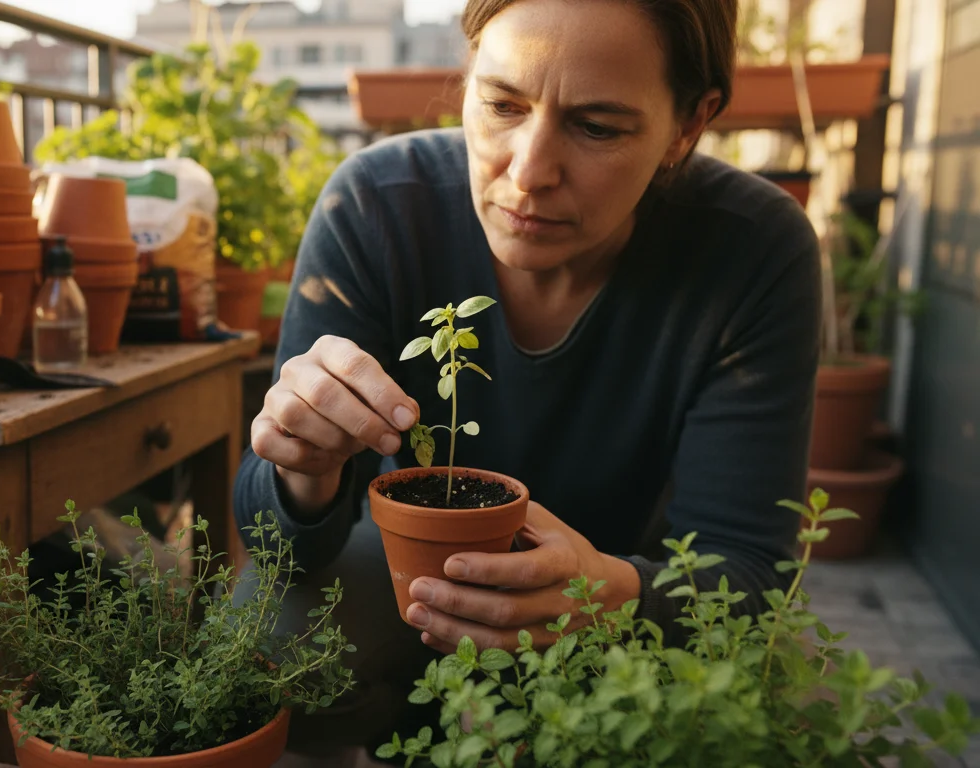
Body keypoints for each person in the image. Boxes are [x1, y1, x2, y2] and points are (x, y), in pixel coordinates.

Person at [233, 0, 821, 759]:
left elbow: (744, 569)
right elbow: (278, 546)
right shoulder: (379, 205)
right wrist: (302, 473)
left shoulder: (754, 252)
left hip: (628, 610)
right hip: (416, 584)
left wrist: (615, 597)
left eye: (597, 127)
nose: (529, 171)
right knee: (266, 646)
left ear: (688, 124)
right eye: (503, 104)